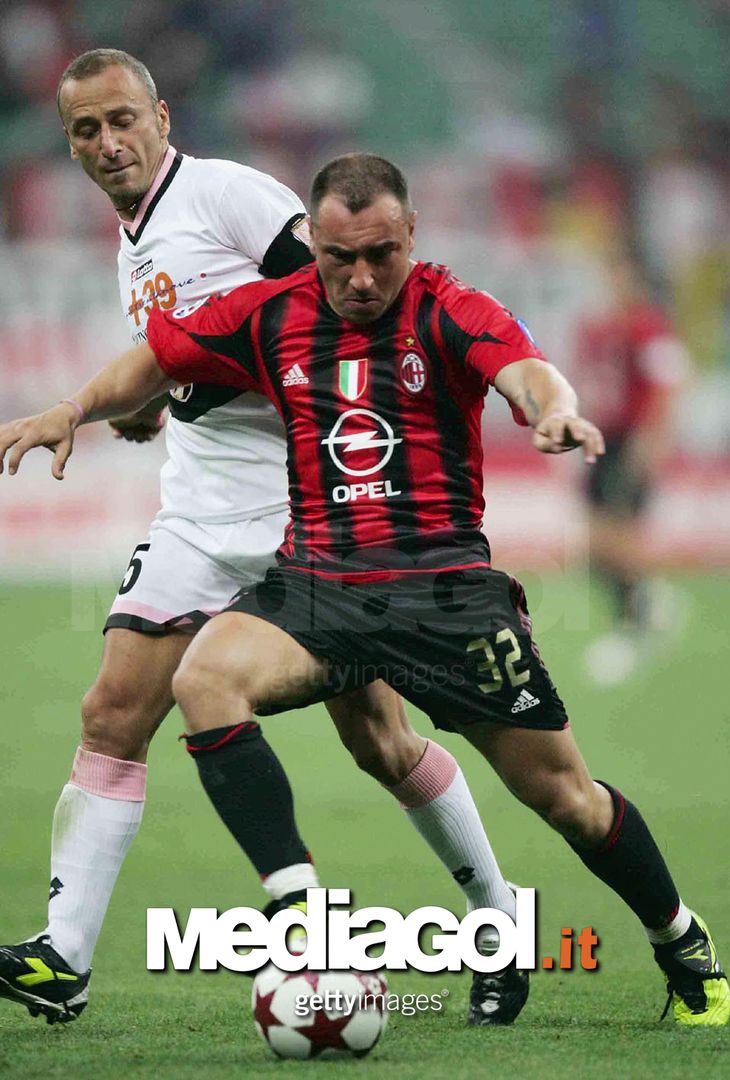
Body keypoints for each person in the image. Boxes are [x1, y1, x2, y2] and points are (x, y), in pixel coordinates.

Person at [2, 153, 726, 1029]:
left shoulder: (450, 308)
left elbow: (526, 369)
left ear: (410, 235)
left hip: (447, 595)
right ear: (312, 245)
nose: (361, 276)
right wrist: (68, 409)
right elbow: (153, 358)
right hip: (320, 589)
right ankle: (300, 910)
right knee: (204, 677)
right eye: (340, 257)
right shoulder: (272, 315)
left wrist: (553, 410)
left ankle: (680, 936)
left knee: (565, 798)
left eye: (380, 252)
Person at [0, 55, 519, 1027]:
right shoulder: (138, 234)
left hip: (303, 505)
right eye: (83, 131)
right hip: (199, 510)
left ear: (159, 117)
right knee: (113, 711)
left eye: (121, 121)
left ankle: (496, 925)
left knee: (377, 737)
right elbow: (196, 351)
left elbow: (337, 307)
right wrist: (153, 404)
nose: (106, 144)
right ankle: (62, 959)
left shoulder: (230, 196)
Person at [575, 246, 689, 685]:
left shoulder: (649, 328)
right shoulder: (597, 328)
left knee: (620, 537)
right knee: (594, 544)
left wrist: (652, 440)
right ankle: (649, 605)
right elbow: (589, 385)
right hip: (601, 438)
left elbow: (668, 385)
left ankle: (632, 627)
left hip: (630, 440)